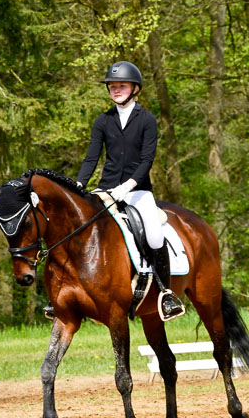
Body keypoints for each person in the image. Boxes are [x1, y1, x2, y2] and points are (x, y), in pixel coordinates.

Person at [74, 60, 185, 321]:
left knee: (155, 236)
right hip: (106, 190)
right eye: (112, 86)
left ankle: (165, 294)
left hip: (138, 191)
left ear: (135, 88)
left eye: (121, 86)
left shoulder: (146, 120)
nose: (115, 90)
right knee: (79, 228)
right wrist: (78, 184)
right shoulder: (103, 121)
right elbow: (91, 158)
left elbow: (147, 160)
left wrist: (128, 185)